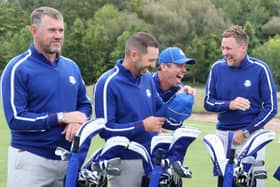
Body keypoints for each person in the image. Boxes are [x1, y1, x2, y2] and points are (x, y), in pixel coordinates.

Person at [0, 6, 92, 187]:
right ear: (34, 31)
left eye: (61, 30)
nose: (58, 35)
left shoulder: (71, 66)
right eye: (52, 30)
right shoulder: (17, 68)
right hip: (31, 160)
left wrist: (76, 121)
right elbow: (16, 119)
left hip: (69, 161)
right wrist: (61, 117)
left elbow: (85, 105)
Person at [204, 25, 278, 186]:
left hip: (251, 137)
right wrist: (229, 104)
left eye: (229, 48)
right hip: (223, 137)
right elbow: (208, 102)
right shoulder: (217, 68)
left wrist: (246, 132)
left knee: (253, 183)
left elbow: (271, 108)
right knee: (226, 183)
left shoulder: (260, 69)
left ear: (243, 47)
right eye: (223, 48)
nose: (224, 53)